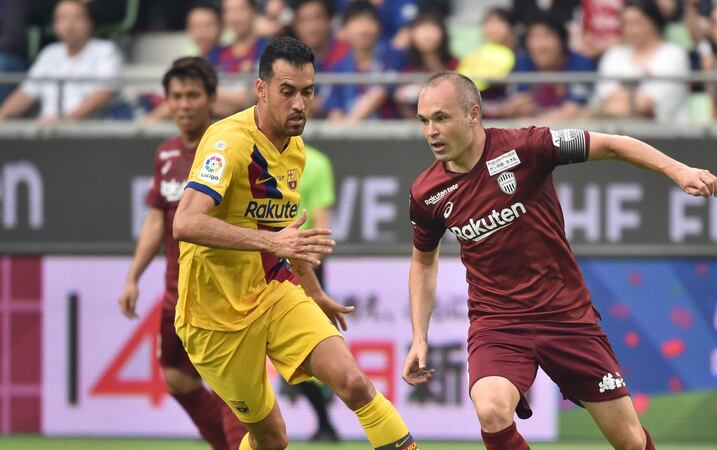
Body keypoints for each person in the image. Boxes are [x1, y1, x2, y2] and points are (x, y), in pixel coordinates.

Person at [402, 71, 717, 450]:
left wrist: (679, 170)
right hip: (498, 324)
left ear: (473, 114)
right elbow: (423, 262)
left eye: (441, 118)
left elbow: (613, 145)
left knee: (631, 442)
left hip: (566, 317)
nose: (431, 132)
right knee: (490, 409)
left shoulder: (527, 147)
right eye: (424, 121)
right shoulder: (427, 193)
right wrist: (419, 337)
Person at [172, 36, 418, 450]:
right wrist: (270, 243)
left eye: (308, 92)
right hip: (213, 317)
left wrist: (315, 292)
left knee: (354, 383)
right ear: (261, 89)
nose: (300, 104)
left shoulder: (297, 150)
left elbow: (290, 234)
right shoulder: (227, 142)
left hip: (273, 292)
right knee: (272, 439)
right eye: (287, 91)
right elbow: (185, 222)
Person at [117, 57, 247, 450]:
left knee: (233, 389)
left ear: (211, 98)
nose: (184, 105)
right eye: (176, 96)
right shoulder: (166, 154)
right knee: (176, 378)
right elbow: (157, 219)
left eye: (193, 95)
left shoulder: (229, 148)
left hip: (224, 293)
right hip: (178, 293)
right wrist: (133, 276)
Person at [280, 143, 340, 442]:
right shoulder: (256, 156)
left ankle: (326, 420)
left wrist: (310, 276)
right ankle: (325, 421)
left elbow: (321, 224)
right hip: (269, 266)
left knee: (308, 349)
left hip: (302, 268)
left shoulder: (316, 163)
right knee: (288, 353)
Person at [0, 0, 122, 121]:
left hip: (89, 128)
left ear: (89, 22)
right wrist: (1, 116)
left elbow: (105, 92)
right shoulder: (49, 53)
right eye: (62, 18)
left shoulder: (106, 50)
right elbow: (26, 93)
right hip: (47, 128)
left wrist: (64, 122)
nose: (69, 25)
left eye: (76, 17)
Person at [594, 0, 690, 122]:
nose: (631, 29)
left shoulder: (674, 54)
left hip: (660, 129)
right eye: (626, 23)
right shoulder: (613, 54)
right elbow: (606, 98)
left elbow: (648, 105)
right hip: (612, 126)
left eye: (637, 23)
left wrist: (622, 97)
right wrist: (634, 98)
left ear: (653, 22)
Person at [499, 16, 595, 122]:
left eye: (547, 36)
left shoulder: (579, 63)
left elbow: (572, 110)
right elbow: (522, 106)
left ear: (561, 40)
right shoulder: (523, 62)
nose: (541, 46)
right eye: (534, 37)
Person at [324, 0, 405, 122]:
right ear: (344, 30)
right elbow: (334, 110)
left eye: (370, 20)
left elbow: (381, 93)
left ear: (379, 27)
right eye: (357, 21)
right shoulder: (338, 67)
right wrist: (340, 127)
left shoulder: (394, 56)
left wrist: (349, 124)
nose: (364, 27)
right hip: (349, 132)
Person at [395, 12, 458, 118]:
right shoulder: (407, 68)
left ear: (443, 33)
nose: (426, 35)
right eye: (421, 29)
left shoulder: (455, 64)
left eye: (432, 29)